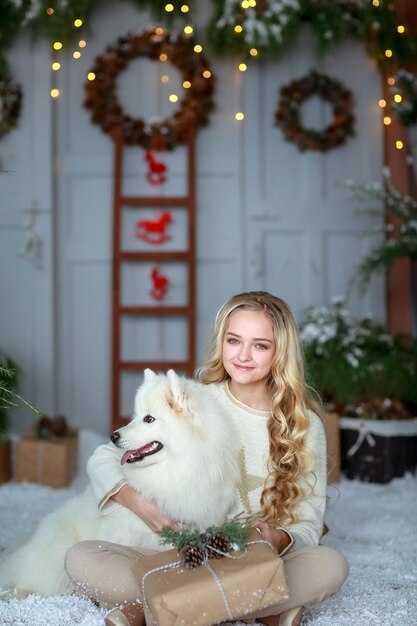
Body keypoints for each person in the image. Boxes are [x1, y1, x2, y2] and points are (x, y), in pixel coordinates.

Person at [65, 291, 349, 626]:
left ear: (280, 353)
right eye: (234, 340)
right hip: (181, 554)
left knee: (331, 565)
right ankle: (264, 606)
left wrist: (278, 538)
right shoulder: (198, 401)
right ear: (221, 342)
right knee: (81, 558)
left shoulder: (304, 426)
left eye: (260, 345)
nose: (243, 355)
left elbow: (308, 523)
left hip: (252, 557)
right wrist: (138, 503)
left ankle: (149, 608)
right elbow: (104, 457)